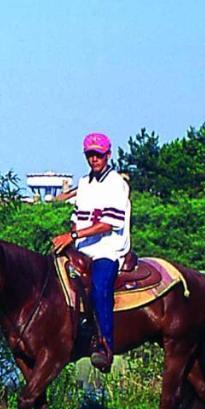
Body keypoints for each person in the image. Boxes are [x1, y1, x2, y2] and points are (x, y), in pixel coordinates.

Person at [50, 132, 131, 372]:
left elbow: (108, 224)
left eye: (98, 154)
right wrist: (70, 237)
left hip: (108, 247)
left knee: (99, 288)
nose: (94, 159)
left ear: (108, 155)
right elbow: (79, 217)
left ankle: (105, 346)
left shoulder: (117, 183)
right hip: (83, 247)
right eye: (90, 154)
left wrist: (72, 236)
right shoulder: (84, 183)